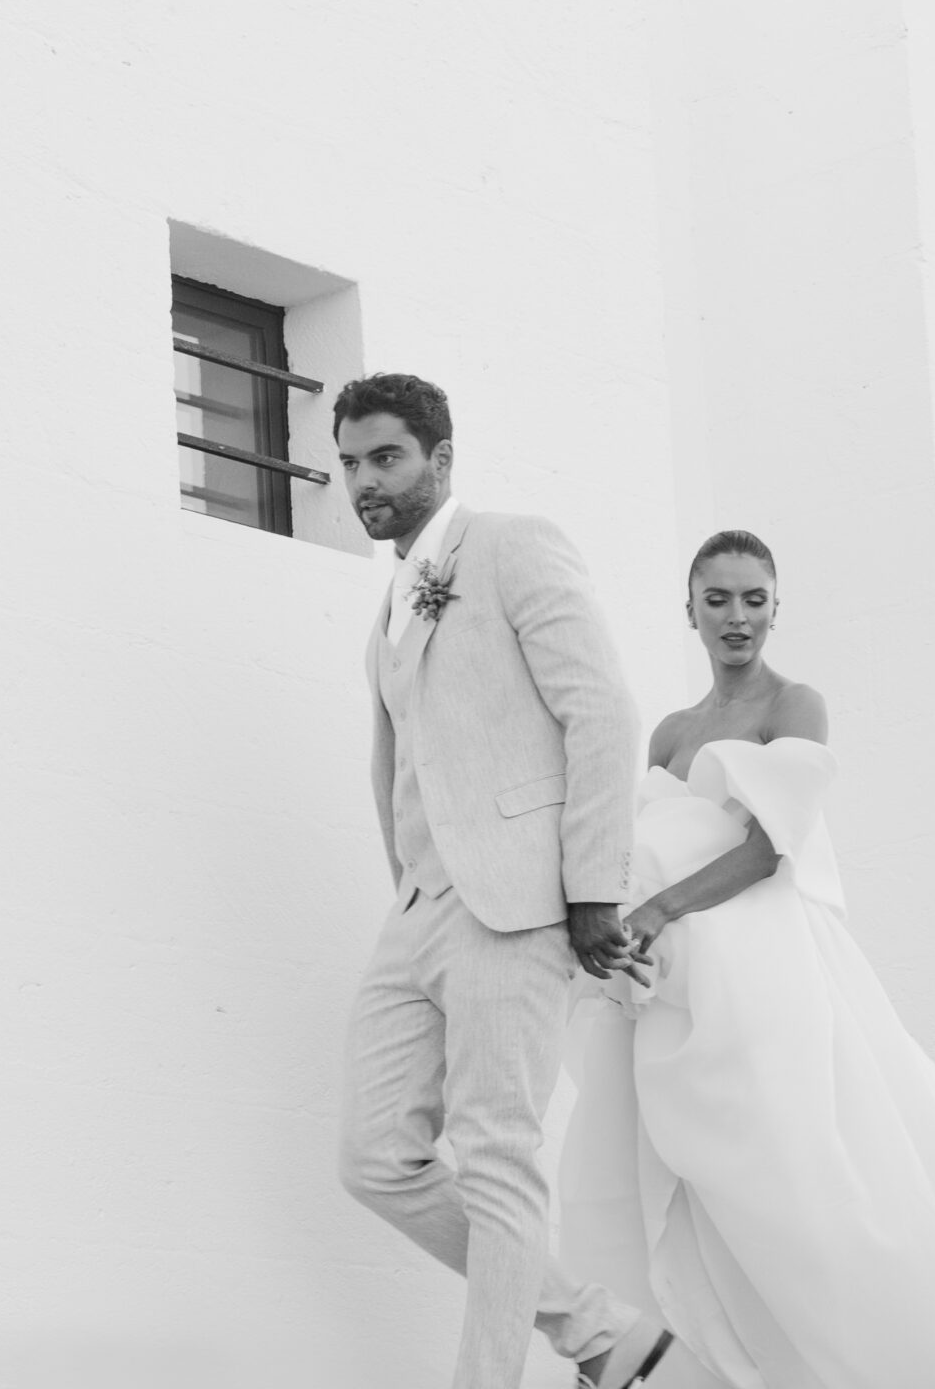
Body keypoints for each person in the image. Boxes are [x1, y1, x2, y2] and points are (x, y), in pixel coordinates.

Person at [559, 529, 935, 1388]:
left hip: (763, 973)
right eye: (717, 598)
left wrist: (657, 910)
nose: (736, 616)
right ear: (689, 611)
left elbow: (766, 851)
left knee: (796, 1183)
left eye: (754, 598)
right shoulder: (670, 733)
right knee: (693, 1192)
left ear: (776, 607)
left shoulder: (794, 704)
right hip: (678, 987)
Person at [334, 372, 676, 1389]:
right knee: (372, 1158)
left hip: (519, 901)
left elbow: (601, 711)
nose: (365, 480)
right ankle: (605, 1335)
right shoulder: (389, 607)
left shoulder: (514, 545)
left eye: (386, 456)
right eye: (350, 461)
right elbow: (401, 768)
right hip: (420, 912)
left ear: (441, 457)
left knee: (495, 1156)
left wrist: (590, 890)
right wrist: (407, 891)